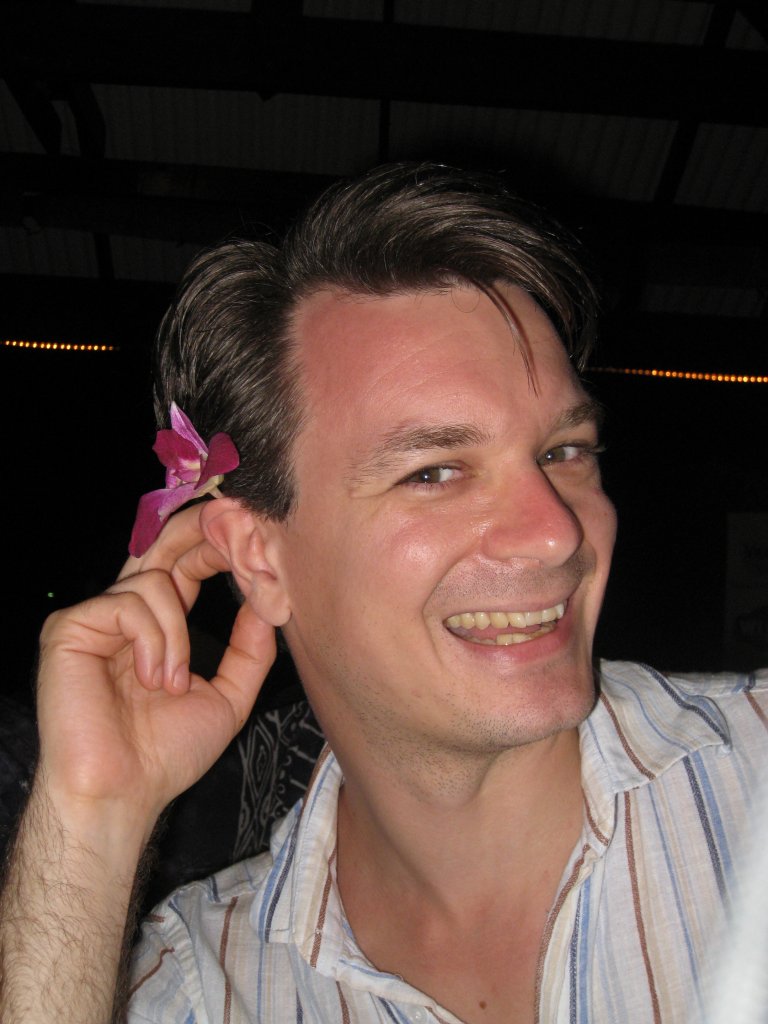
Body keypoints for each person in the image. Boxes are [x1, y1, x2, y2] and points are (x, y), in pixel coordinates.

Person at [0, 164, 765, 1024]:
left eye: (563, 453)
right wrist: (90, 822)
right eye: (435, 471)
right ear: (260, 558)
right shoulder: (200, 986)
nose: (554, 533)